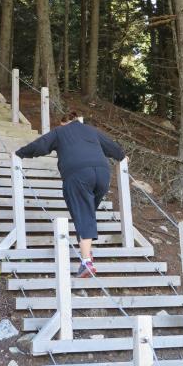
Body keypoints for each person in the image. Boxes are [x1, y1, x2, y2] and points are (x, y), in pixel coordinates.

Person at [15, 111, 126, 277]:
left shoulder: (60, 132)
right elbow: (112, 147)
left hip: (78, 175)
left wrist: (19, 153)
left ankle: (86, 262)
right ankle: (86, 249)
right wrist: (122, 156)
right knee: (86, 212)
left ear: (63, 123)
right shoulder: (91, 130)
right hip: (103, 174)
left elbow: (41, 145)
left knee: (84, 214)